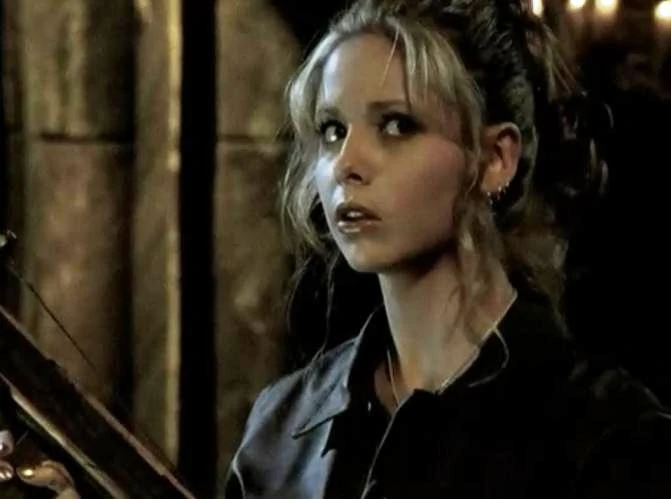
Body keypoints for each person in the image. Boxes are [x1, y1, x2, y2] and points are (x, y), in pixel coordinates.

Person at [224, 0, 671, 497]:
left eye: (396, 125)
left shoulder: (604, 437)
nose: (346, 164)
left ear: (494, 159)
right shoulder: (282, 429)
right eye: (333, 130)